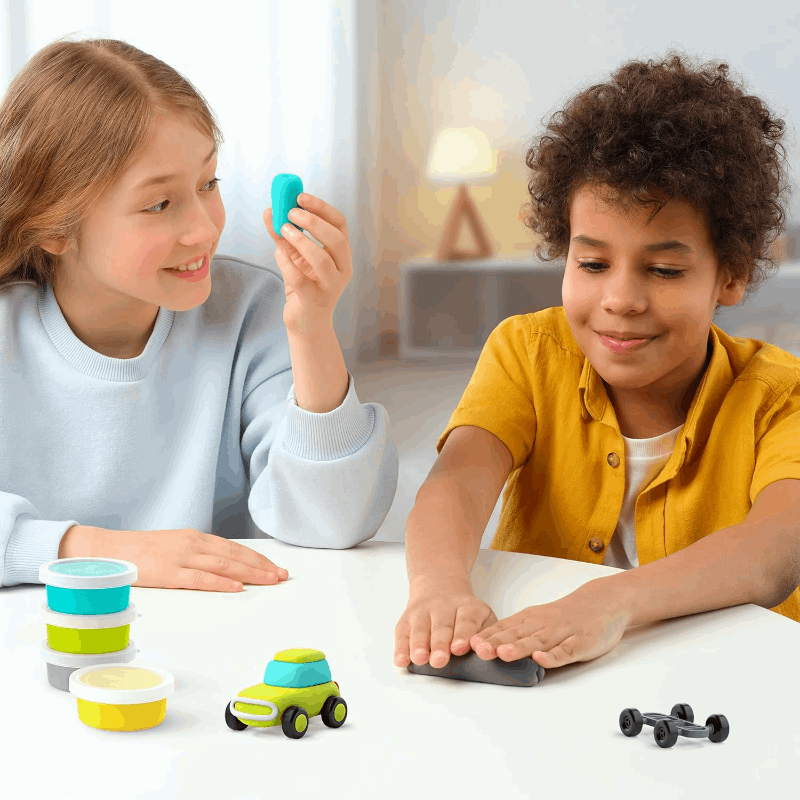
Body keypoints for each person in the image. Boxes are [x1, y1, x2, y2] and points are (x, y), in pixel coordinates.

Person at [394, 50, 800, 673]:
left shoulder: (781, 394)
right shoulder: (528, 351)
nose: (620, 300)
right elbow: (460, 478)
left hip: (730, 680)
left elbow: (775, 551)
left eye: (664, 270)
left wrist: (612, 601)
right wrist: (439, 587)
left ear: (732, 275)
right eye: (592, 264)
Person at [0, 37, 398, 591]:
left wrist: (311, 328)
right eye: (159, 204)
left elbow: (334, 523)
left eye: (208, 183)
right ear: (53, 226)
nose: (206, 229)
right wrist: (103, 552)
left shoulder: (253, 311)